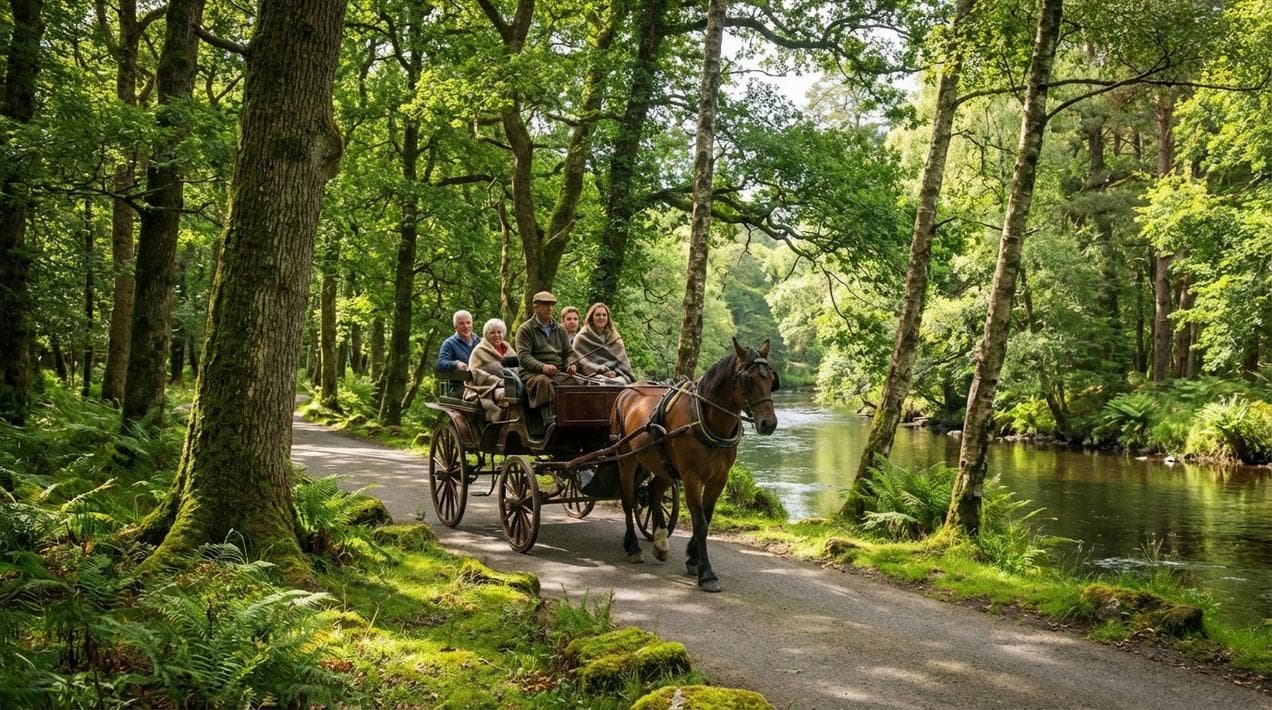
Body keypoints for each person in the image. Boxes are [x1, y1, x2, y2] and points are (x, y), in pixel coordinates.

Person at [514, 291, 577, 408]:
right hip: (532, 374)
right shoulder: (525, 329)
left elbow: (569, 353)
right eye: (546, 304)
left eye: (552, 305)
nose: (550, 308)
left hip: (557, 372)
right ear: (535, 306)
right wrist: (543, 367)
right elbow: (524, 357)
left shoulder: (560, 329)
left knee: (578, 383)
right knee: (544, 383)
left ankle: (575, 420)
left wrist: (570, 364)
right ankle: (548, 421)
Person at [572, 302, 635, 384]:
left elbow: (623, 363)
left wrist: (615, 372)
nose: (601, 317)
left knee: (622, 384)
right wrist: (601, 370)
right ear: (591, 318)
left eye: (604, 315)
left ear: (608, 318)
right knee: (600, 383)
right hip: (592, 377)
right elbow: (581, 362)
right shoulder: (581, 337)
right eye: (597, 315)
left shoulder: (615, 338)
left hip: (616, 375)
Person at [467, 318, 511, 421]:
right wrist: (497, 381)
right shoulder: (479, 350)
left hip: (511, 383)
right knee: (507, 393)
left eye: (499, 332)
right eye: (492, 333)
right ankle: (500, 423)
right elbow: (475, 372)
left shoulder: (508, 348)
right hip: (486, 388)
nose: (496, 335)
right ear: (486, 335)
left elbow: (517, 367)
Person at [437, 310, 479, 395]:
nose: (466, 326)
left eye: (468, 323)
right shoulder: (449, 343)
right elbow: (440, 363)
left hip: (481, 387)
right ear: (455, 326)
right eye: (461, 323)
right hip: (459, 390)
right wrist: (456, 364)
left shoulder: (479, 342)